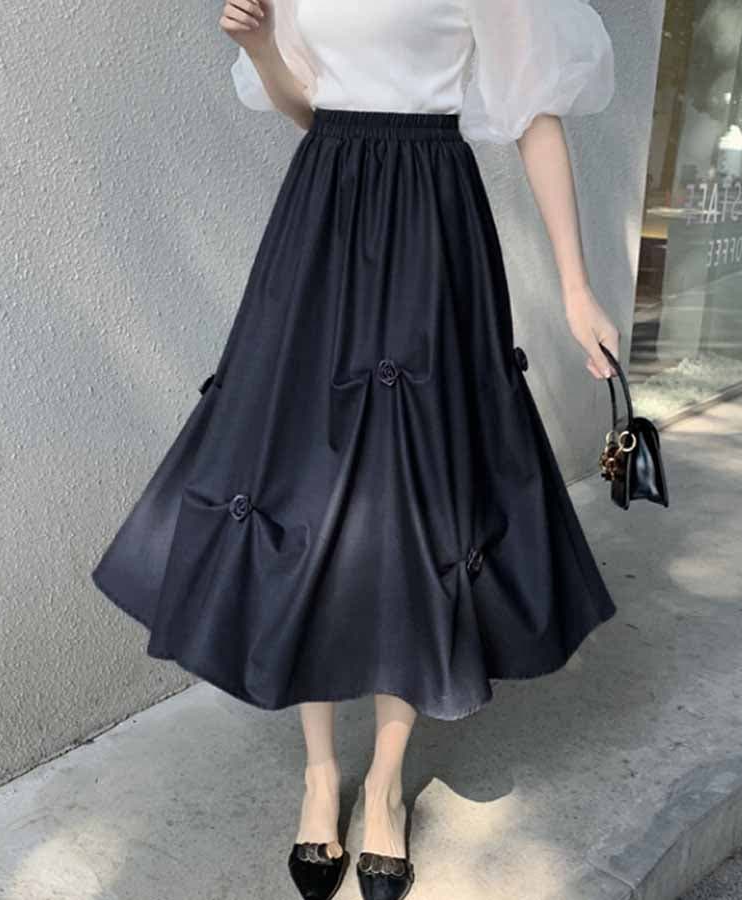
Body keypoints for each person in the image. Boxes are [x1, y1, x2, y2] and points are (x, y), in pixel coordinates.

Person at [92, 1, 621, 898]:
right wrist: (263, 45)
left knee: (419, 502)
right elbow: (308, 107)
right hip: (322, 225)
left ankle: (383, 786)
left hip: (433, 226)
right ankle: (318, 775)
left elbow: (535, 115)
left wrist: (576, 287)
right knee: (303, 491)